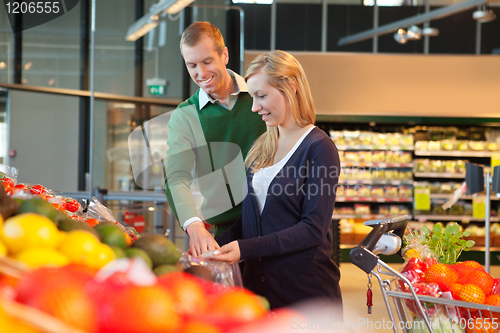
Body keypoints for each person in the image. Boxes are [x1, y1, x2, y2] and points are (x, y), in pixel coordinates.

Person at [213, 50, 343, 311]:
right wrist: (215, 245)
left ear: (291, 87)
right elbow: (252, 217)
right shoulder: (262, 146)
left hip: (305, 297)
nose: (254, 107)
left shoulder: (319, 148)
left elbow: (313, 229)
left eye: (261, 96)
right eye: (252, 97)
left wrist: (245, 248)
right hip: (258, 295)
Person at [164, 22, 267, 257]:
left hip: (274, 226)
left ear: (225, 55)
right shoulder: (185, 116)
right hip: (224, 233)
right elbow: (176, 177)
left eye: (207, 61)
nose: (201, 73)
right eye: (192, 65)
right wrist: (194, 226)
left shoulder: (261, 94)